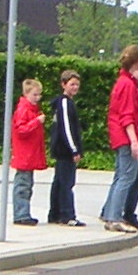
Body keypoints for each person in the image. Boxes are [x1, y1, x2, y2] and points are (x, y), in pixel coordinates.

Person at [100, 45, 138, 234]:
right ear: (131, 66)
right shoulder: (128, 85)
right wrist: (135, 142)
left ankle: (109, 212)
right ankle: (115, 218)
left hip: (121, 137)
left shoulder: (124, 83)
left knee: (120, 176)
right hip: (127, 138)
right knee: (126, 177)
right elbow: (127, 116)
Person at [46, 70, 85, 226]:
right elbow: (66, 128)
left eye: (77, 84)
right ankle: (67, 215)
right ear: (63, 84)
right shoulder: (64, 103)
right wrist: (74, 149)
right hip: (64, 150)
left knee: (59, 182)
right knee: (66, 183)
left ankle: (55, 213)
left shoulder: (66, 102)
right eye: (72, 84)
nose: (75, 87)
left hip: (62, 149)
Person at [10, 77, 47, 225]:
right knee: (23, 186)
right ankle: (21, 214)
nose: (37, 98)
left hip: (28, 155)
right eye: (35, 95)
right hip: (25, 155)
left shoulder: (30, 110)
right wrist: (36, 122)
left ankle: (23, 212)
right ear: (26, 94)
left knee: (26, 185)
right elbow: (21, 130)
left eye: (39, 95)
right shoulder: (24, 110)